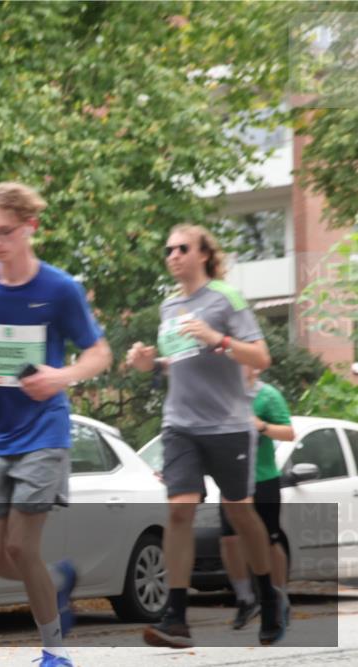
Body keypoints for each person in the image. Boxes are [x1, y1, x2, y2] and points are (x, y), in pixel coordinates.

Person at [0, 182, 112, 667]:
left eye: (5, 232)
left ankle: (53, 651)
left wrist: (61, 376)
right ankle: (59, 580)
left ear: (30, 227)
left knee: (21, 546)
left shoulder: (59, 289)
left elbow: (99, 353)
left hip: (45, 430)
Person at [126, 224, 285, 648]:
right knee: (180, 511)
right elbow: (179, 360)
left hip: (229, 425)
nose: (173, 254)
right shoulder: (169, 306)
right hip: (180, 424)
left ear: (202, 255)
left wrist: (219, 338)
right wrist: (148, 362)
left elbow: (260, 356)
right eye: (169, 249)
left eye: (182, 248)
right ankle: (176, 617)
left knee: (240, 514)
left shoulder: (225, 298)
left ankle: (269, 596)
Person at [221, 366, 294, 630]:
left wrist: (260, 425)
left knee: (270, 540)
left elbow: (288, 432)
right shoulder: (224, 394)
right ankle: (245, 598)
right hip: (231, 478)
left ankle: (279, 595)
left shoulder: (269, 396)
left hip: (264, 478)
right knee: (229, 539)